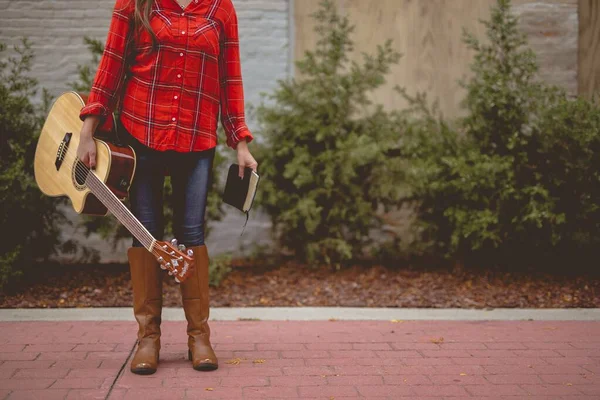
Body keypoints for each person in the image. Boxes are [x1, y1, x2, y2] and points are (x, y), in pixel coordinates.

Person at [76, 0, 258, 375]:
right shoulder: (135, 4)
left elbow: (229, 78)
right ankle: (148, 338)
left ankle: (198, 336)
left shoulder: (220, 9)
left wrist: (240, 141)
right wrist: (87, 132)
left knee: (192, 233)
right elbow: (110, 64)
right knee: (145, 235)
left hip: (197, 137)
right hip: (140, 133)